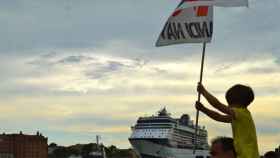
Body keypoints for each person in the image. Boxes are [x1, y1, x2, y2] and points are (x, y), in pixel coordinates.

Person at [195, 83, 260, 158]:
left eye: (229, 104)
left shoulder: (241, 113)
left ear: (235, 102)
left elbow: (218, 105)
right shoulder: (241, 117)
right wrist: (204, 109)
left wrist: (203, 91)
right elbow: (219, 117)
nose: (228, 106)